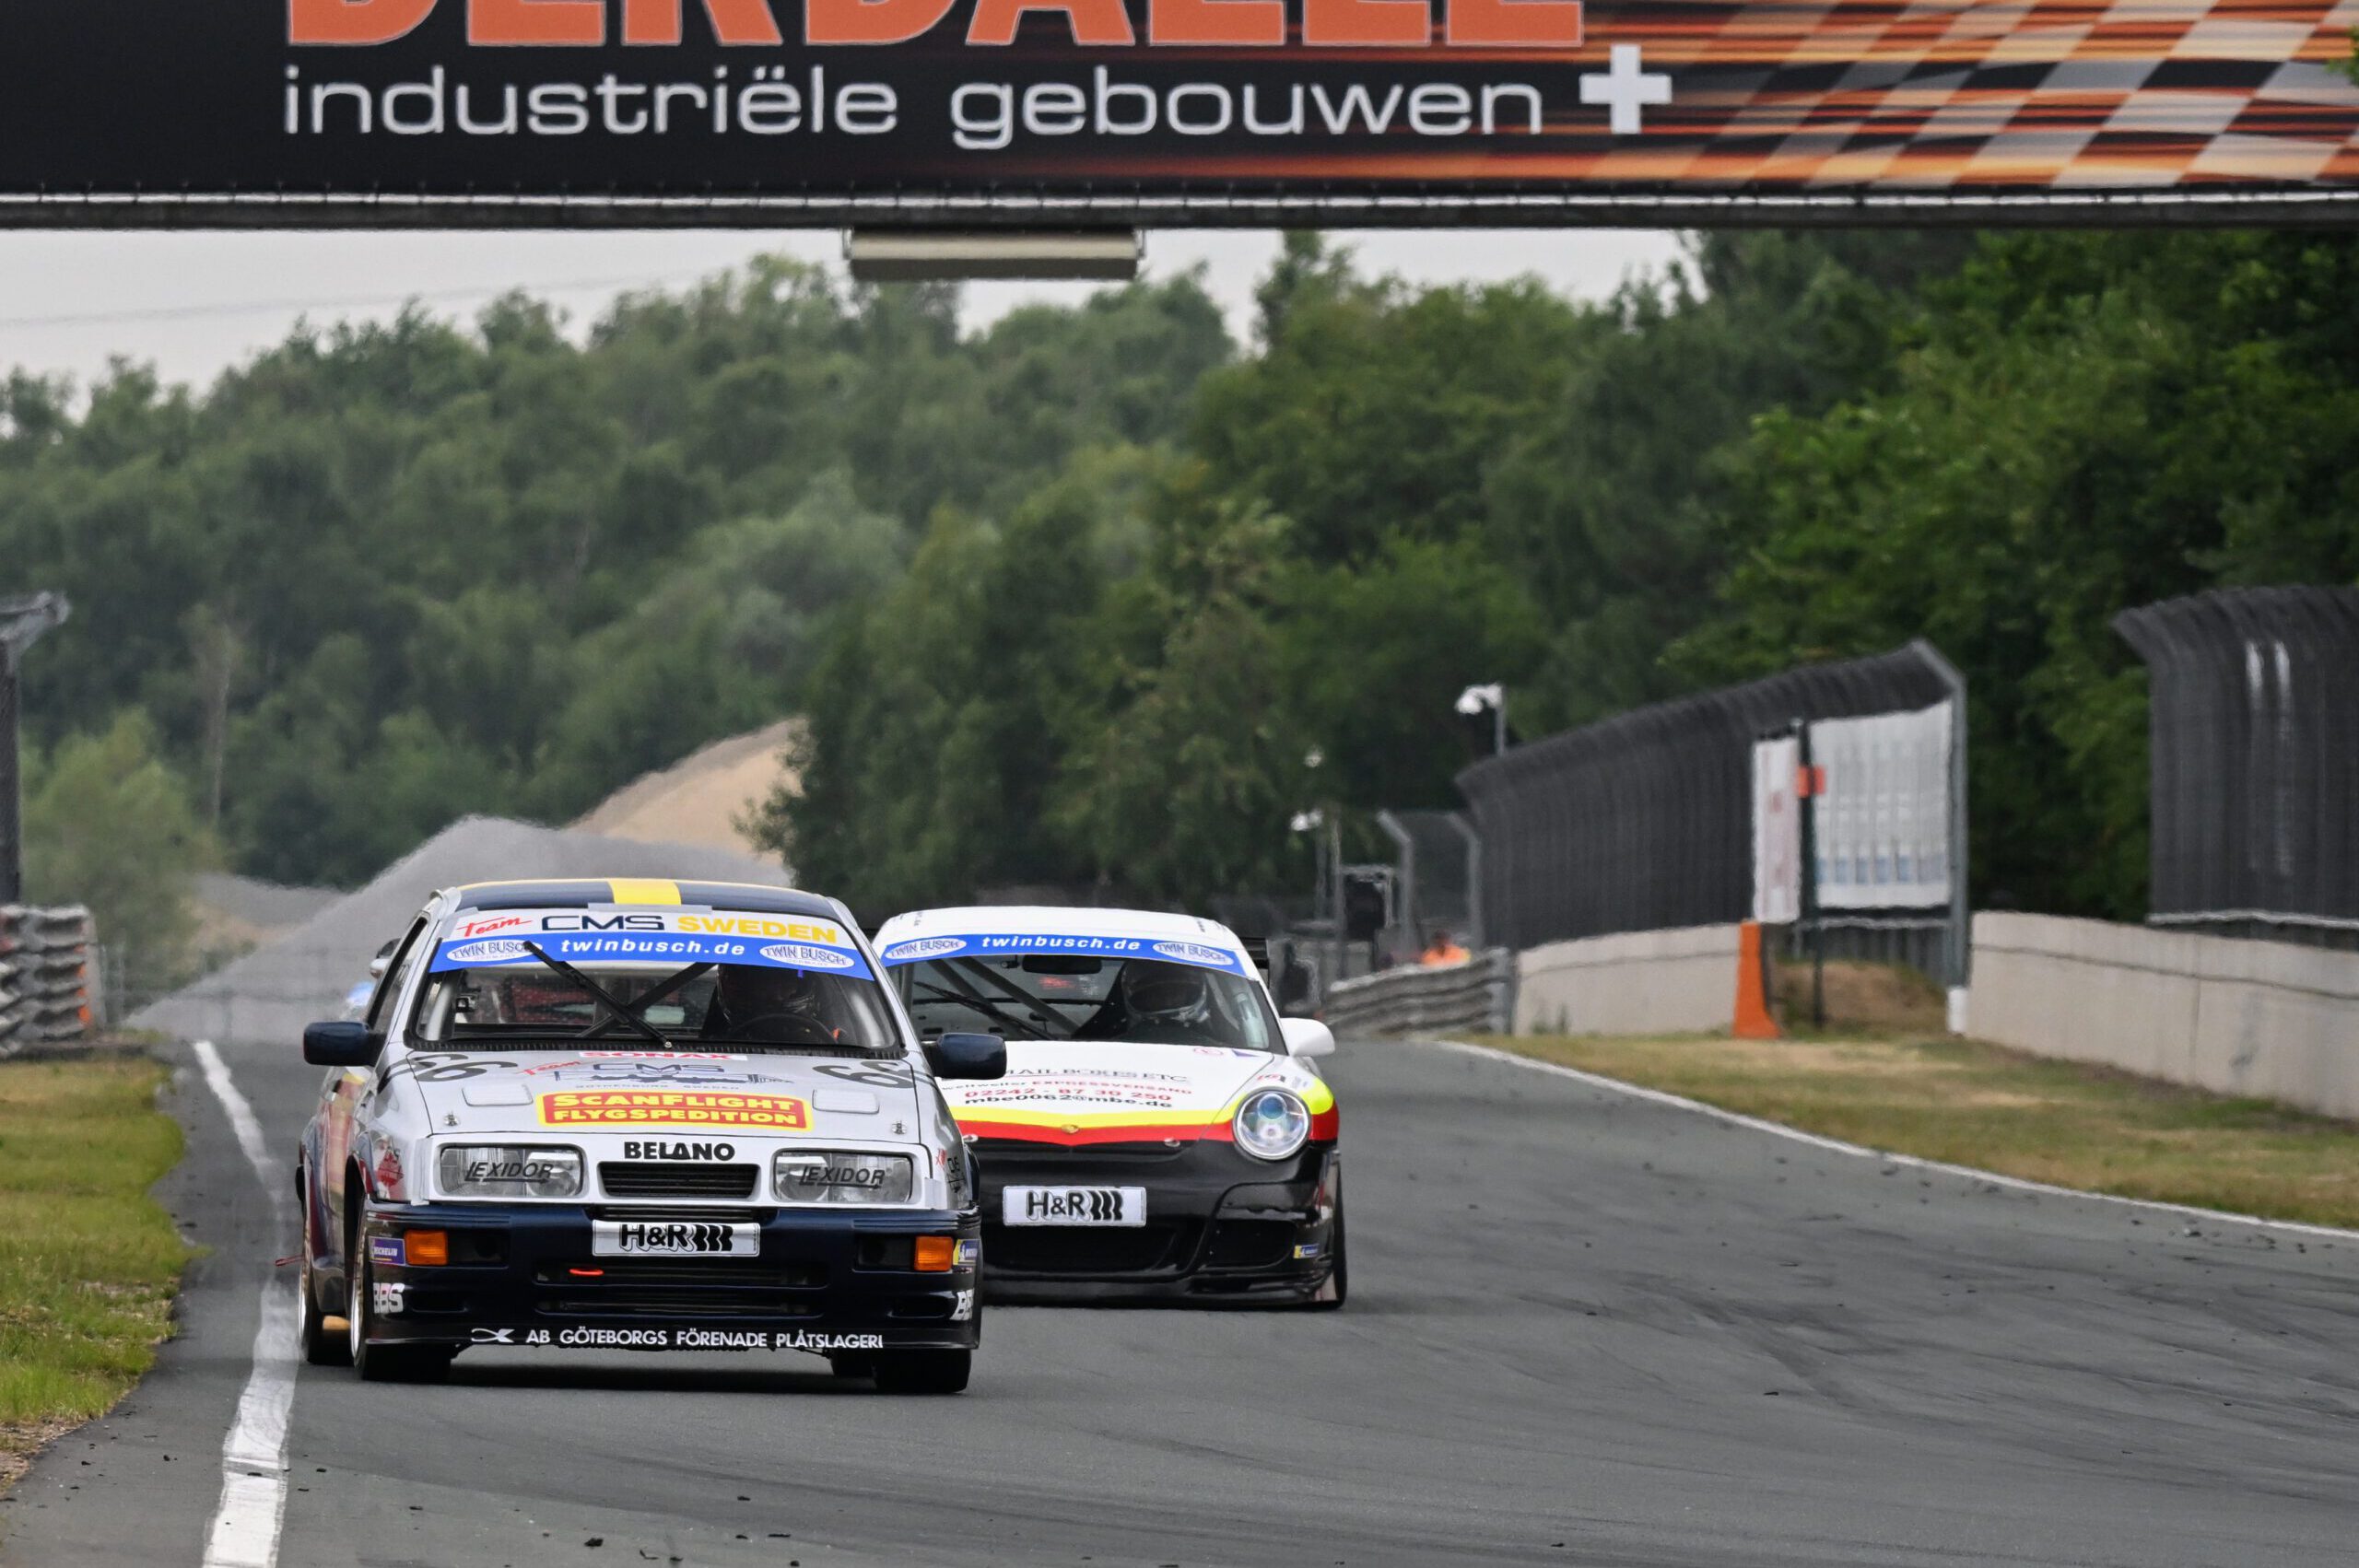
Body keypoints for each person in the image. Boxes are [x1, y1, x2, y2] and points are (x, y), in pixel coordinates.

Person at [705, 963, 835, 1041]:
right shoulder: (711, 1049)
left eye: (784, 981)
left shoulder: (827, 1046)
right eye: (761, 984)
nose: (775, 995)